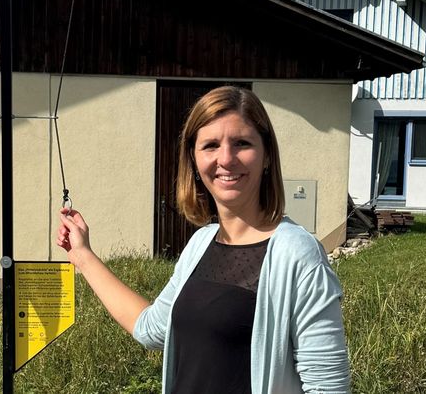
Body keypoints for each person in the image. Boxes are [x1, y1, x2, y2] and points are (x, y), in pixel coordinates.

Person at [55, 86, 350, 393]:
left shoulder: (297, 254)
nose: (226, 158)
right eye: (210, 145)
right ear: (194, 162)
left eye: (242, 143)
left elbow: (328, 387)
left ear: (266, 157)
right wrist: (83, 256)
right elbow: (151, 329)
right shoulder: (201, 244)